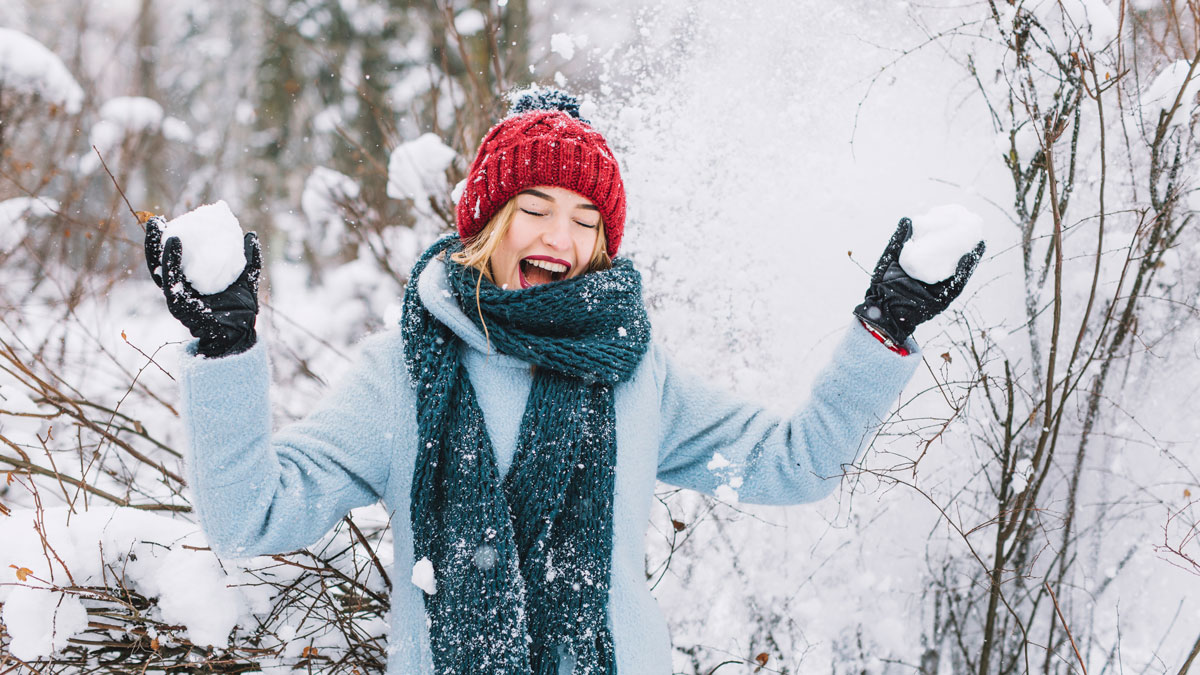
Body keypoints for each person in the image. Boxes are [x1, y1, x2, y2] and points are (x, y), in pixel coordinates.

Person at [144, 88, 983, 675]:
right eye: (536, 209)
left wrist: (885, 327)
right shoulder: (402, 374)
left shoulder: (632, 371)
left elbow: (793, 463)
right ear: (488, 222)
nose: (561, 237)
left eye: (587, 220)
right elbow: (250, 516)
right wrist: (226, 347)